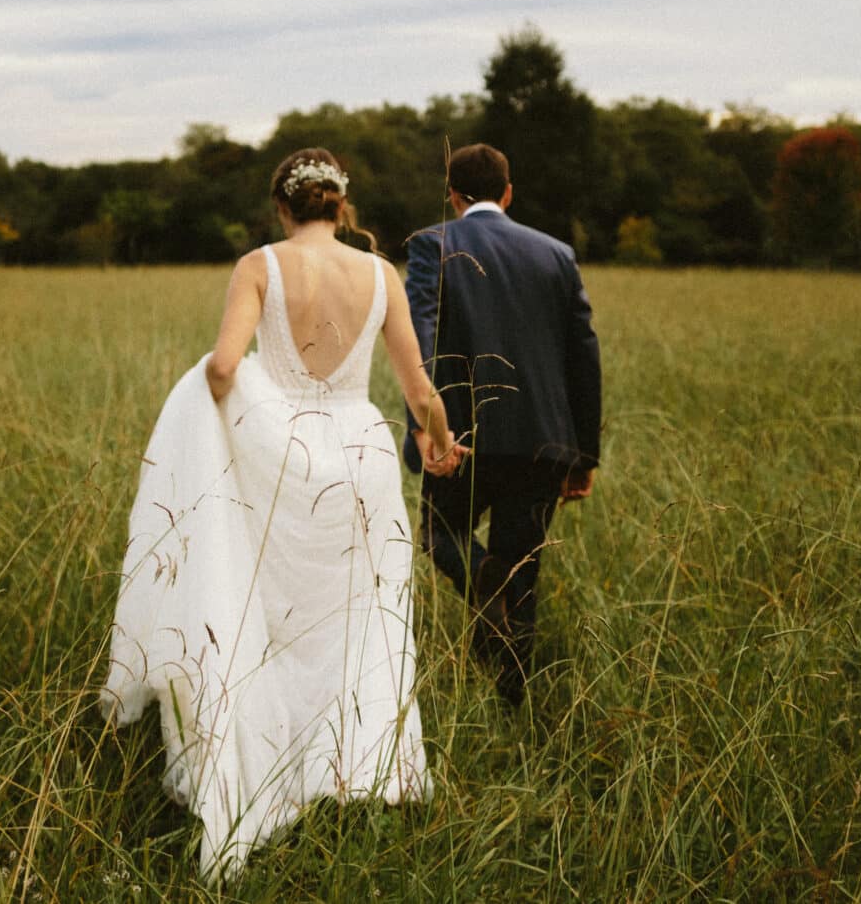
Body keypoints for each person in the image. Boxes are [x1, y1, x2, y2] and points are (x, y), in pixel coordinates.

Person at [101, 148, 465, 878]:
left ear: (282, 207)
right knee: (360, 621)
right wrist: (441, 438)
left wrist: (218, 395)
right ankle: (354, 773)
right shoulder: (381, 274)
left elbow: (226, 367)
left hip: (280, 461)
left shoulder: (259, 267)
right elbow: (418, 385)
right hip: (359, 460)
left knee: (268, 621)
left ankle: (265, 769)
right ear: (340, 205)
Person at [404, 142, 602, 707]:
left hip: (459, 437)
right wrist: (583, 455)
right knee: (523, 568)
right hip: (544, 439)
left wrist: (427, 425)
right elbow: (582, 358)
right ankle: (510, 699)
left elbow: (422, 334)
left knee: (438, 535)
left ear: (451, 194)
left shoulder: (431, 245)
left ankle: (483, 575)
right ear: (508, 193)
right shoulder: (557, 254)